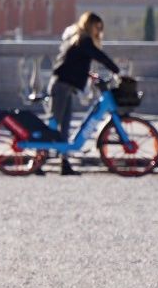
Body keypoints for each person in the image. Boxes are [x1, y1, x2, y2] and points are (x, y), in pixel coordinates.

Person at [47, 12, 119, 176]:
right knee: (54, 123)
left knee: (63, 125)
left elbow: (73, 62)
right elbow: (99, 56)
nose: (98, 32)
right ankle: (38, 158)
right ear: (90, 25)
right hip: (62, 85)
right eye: (97, 27)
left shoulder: (77, 38)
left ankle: (63, 163)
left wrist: (88, 74)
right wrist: (116, 70)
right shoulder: (84, 40)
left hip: (64, 84)